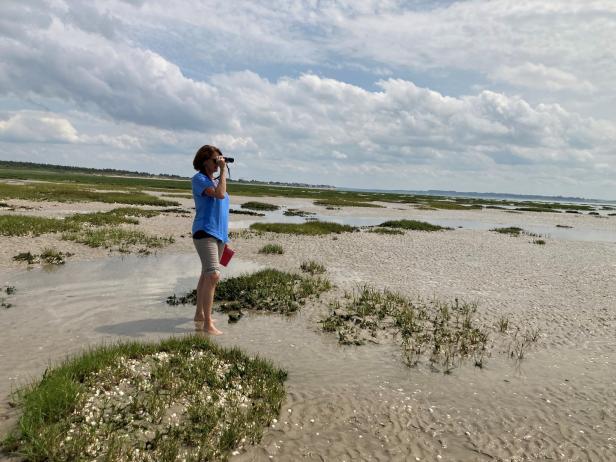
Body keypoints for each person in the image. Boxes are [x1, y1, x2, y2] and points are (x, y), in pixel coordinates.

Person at [191, 145, 230, 335]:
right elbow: (220, 195)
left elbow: (222, 210)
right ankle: (207, 324)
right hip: (204, 232)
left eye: (219, 160)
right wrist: (223, 171)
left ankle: (200, 315)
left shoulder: (215, 181)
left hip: (219, 235)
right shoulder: (199, 179)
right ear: (204, 160)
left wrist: (225, 238)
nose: (218, 164)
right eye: (215, 160)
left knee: (206, 275)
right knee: (213, 275)